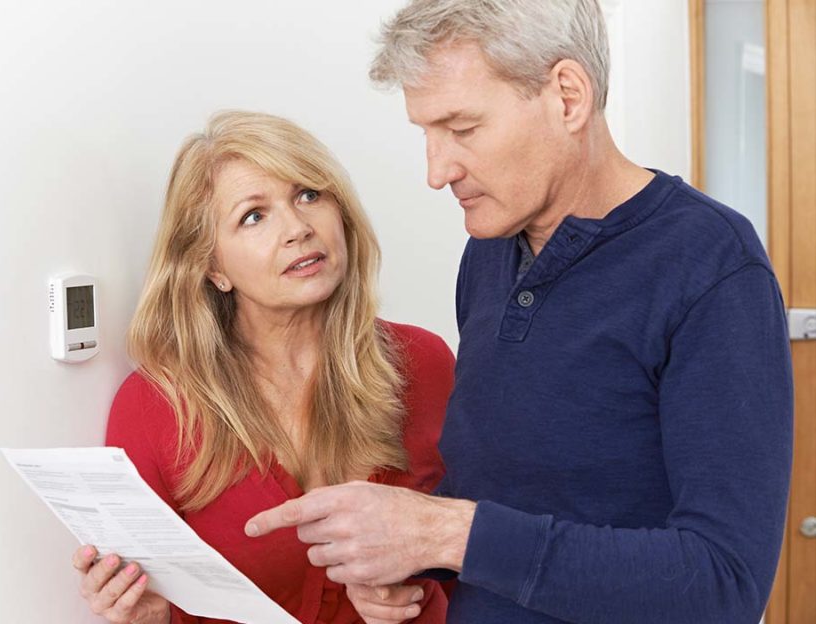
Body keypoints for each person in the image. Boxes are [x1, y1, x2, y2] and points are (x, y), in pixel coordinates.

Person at [245, 2, 794, 623]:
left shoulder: (712, 266)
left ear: (567, 96)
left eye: (462, 128)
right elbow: (510, 498)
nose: (436, 170)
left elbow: (723, 586)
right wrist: (409, 554)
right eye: (425, 134)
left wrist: (447, 536)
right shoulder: (488, 254)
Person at [68, 110, 455, 624]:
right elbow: (162, 604)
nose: (298, 228)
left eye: (309, 195)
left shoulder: (424, 365)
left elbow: (484, 547)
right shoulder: (156, 410)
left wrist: (410, 590)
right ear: (212, 267)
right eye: (254, 216)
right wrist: (148, 616)